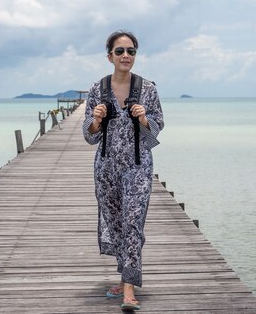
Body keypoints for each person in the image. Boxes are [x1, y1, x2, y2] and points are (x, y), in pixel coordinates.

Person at [83, 30, 164, 311]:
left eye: (131, 51)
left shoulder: (148, 89)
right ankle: (123, 274)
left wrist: (144, 118)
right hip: (106, 168)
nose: (126, 55)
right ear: (110, 56)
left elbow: (158, 126)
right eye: (120, 51)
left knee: (133, 222)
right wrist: (95, 120)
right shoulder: (97, 89)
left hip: (138, 167)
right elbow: (89, 134)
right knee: (115, 222)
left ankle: (129, 288)